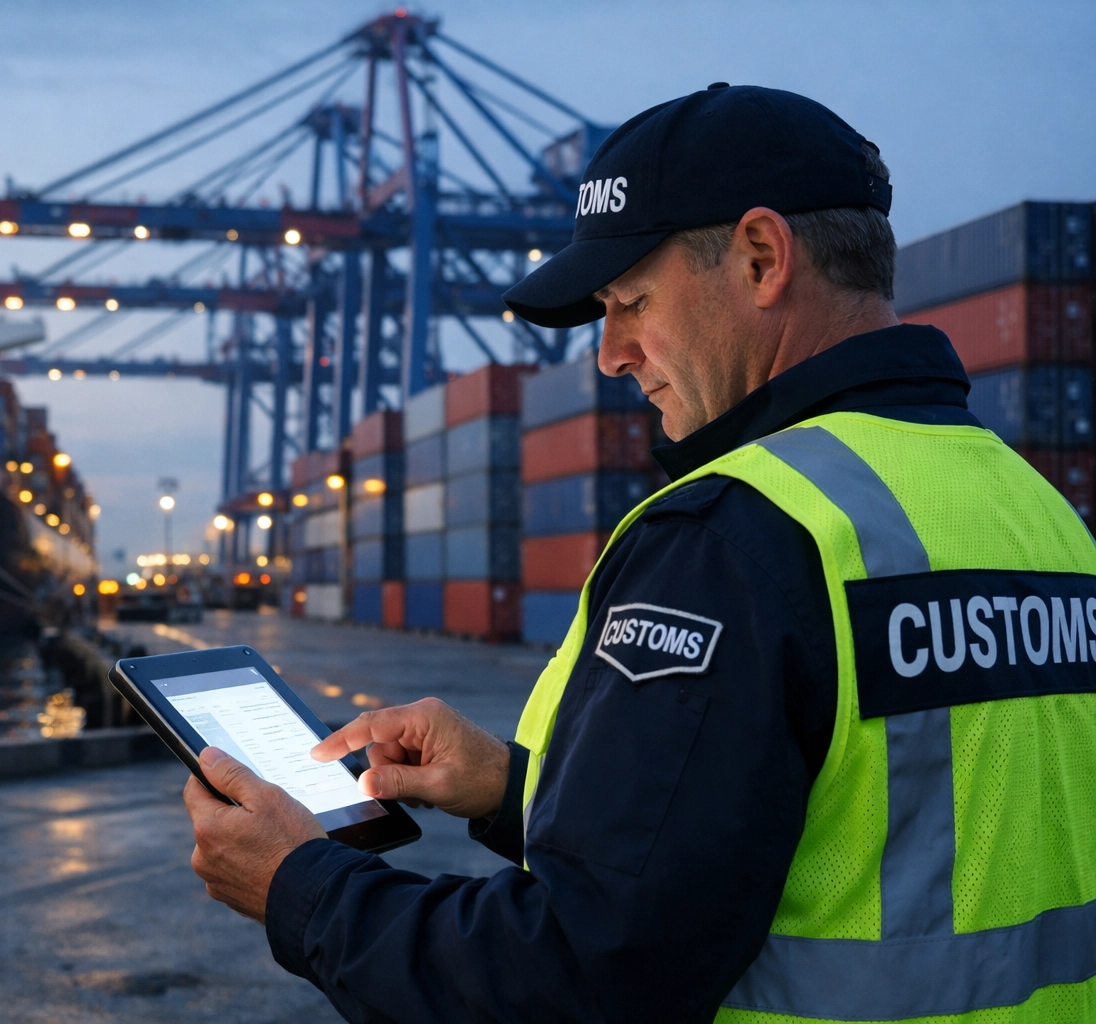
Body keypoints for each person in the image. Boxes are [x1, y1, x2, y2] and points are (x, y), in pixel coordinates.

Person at [183, 84, 1096, 1022]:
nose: (610, 353)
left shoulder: (739, 537)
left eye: (630, 301)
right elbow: (884, 833)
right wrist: (510, 790)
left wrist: (302, 887)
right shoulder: (1040, 516)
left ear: (761, 256)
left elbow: (579, 977)